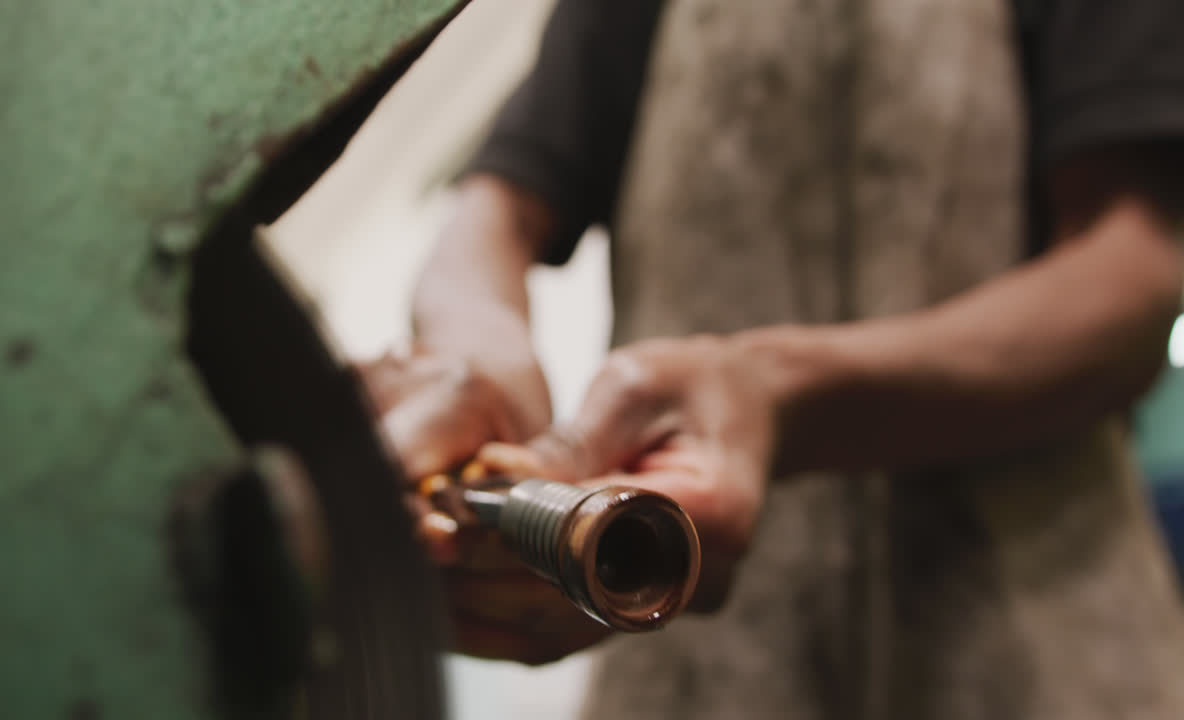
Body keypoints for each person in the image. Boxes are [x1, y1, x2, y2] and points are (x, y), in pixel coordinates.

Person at [357, 1, 1184, 717]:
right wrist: (479, 356)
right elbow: (487, 219)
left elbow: (1136, 266)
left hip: (1049, 649)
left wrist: (778, 394)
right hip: (691, 666)